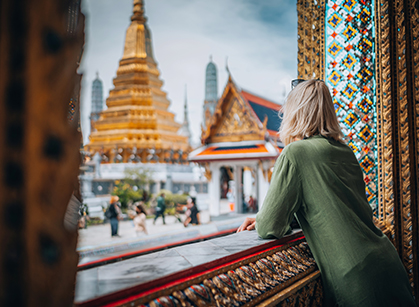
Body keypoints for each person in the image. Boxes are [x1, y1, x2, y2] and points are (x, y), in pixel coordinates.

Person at [237, 79, 416, 306]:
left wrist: (261, 218)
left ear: (295, 113)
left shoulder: (295, 153)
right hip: (388, 263)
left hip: (357, 278)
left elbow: (271, 226)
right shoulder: (346, 152)